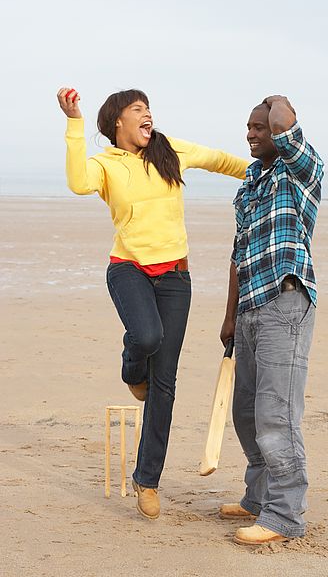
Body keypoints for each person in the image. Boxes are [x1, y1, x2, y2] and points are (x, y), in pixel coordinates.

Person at [57, 86, 248, 520]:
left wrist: (263, 170)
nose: (147, 115)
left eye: (148, 109)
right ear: (117, 122)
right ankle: (131, 368)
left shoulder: (168, 150)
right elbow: (76, 183)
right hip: (129, 268)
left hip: (176, 276)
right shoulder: (105, 164)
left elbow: (219, 160)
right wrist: (73, 123)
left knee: (165, 384)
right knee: (146, 336)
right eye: (137, 110)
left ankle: (147, 480)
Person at [219, 95, 324, 545]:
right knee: (245, 413)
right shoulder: (248, 186)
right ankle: (257, 498)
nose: (251, 133)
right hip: (249, 310)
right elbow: (238, 256)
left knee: (275, 415)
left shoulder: (299, 172)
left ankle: (284, 517)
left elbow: (285, 118)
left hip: (286, 304)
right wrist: (229, 318)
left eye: (259, 127)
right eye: (248, 127)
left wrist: (273, 102)